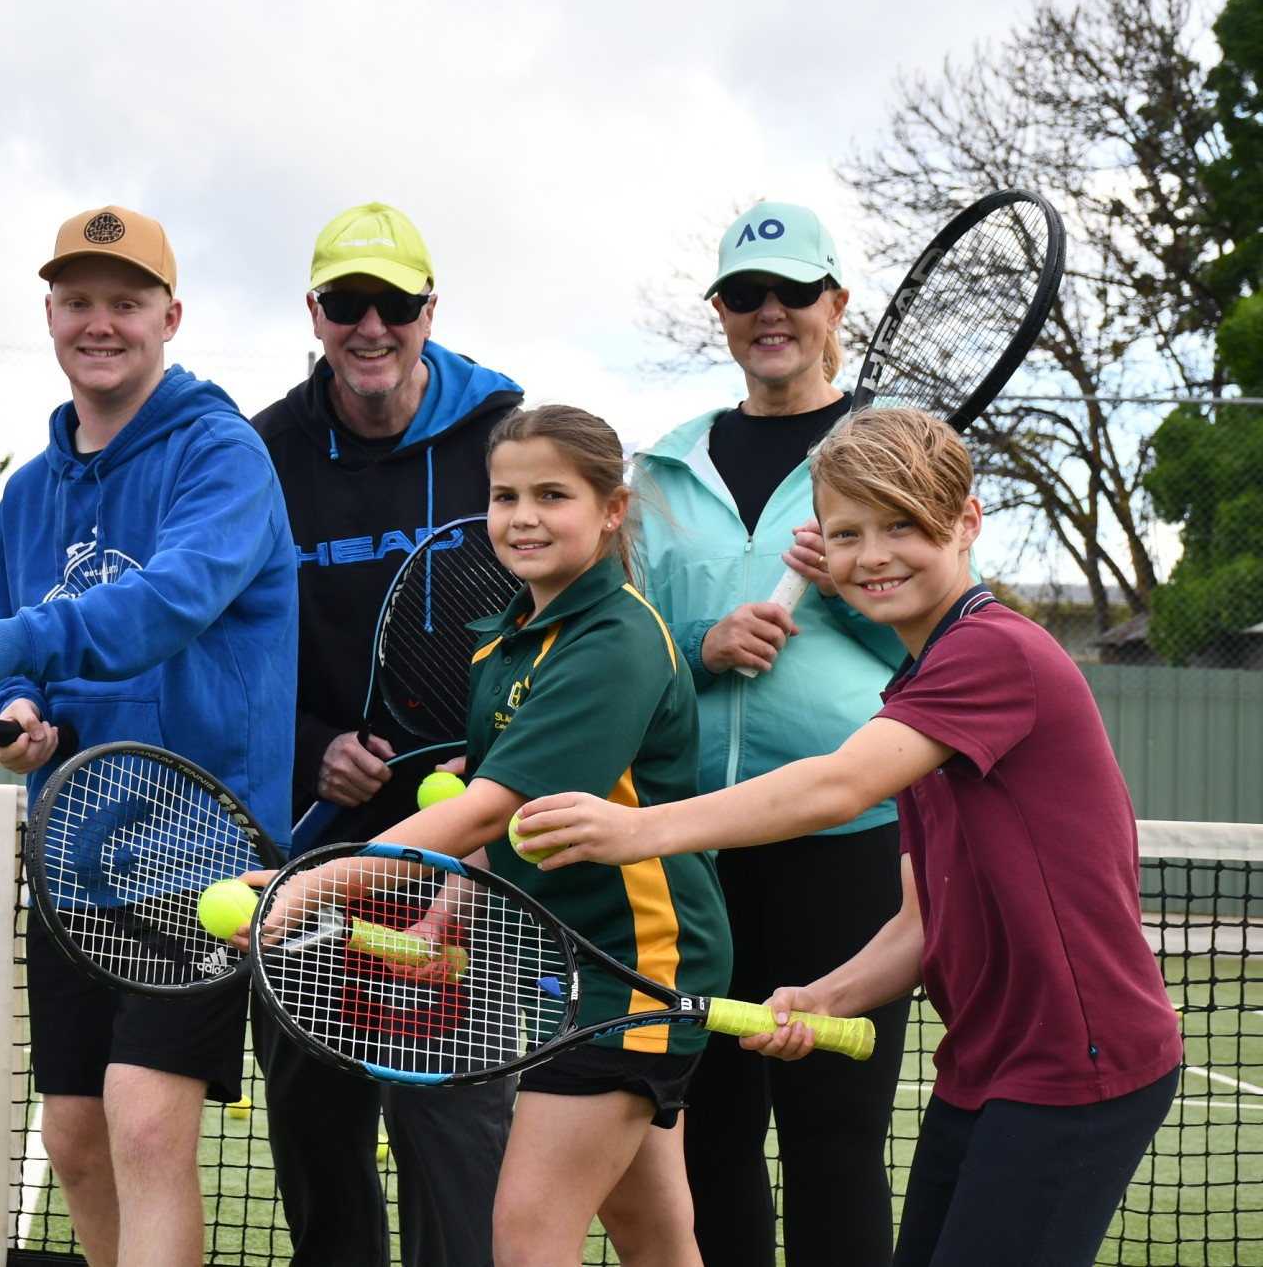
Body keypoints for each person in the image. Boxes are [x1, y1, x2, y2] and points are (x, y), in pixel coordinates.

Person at [514, 407, 1184, 1267]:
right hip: (983, 1061)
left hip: (1079, 1064)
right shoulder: (916, 687)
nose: (872, 556)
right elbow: (918, 920)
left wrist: (635, 829)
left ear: (968, 522)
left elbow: (837, 787)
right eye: (848, 531)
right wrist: (825, 995)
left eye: (901, 523)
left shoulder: (993, 653)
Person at [0, 205, 297, 1267]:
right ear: (50, 313)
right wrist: (16, 713)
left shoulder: (222, 457)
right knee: (72, 1135)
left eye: (124, 301)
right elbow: (17, 667)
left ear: (170, 315)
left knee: (147, 1123)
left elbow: (166, 604)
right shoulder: (25, 494)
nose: (98, 322)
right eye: (77, 301)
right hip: (72, 858)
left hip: (204, 855)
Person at [258, 404, 732, 1267]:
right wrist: (444, 911)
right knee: (655, 1234)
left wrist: (316, 880)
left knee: (522, 1234)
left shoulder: (615, 640)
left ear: (612, 509)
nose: (523, 517)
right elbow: (494, 831)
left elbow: (482, 804)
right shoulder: (504, 645)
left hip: (634, 971)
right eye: (504, 494)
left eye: (553, 494)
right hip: (568, 961)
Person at [633, 201, 909, 1265]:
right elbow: (631, 645)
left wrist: (845, 590)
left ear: (834, 304)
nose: (769, 314)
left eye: (792, 292)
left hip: (845, 842)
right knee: (707, 1138)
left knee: (835, 1141)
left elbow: (945, 647)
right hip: (693, 843)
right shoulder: (660, 473)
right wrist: (700, 641)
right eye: (744, 296)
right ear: (719, 314)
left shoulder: (893, 457)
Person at [248, 200, 522, 1267]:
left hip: (468, 848)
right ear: (313, 313)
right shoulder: (260, 450)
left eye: (393, 303)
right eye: (345, 304)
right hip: (311, 847)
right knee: (317, 1146)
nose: (370, 326)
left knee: (454, 1140)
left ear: (428, 309)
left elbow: (563, 616)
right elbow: (226, 643)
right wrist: (312, 741)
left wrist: (488, 765)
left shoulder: (504, 432)